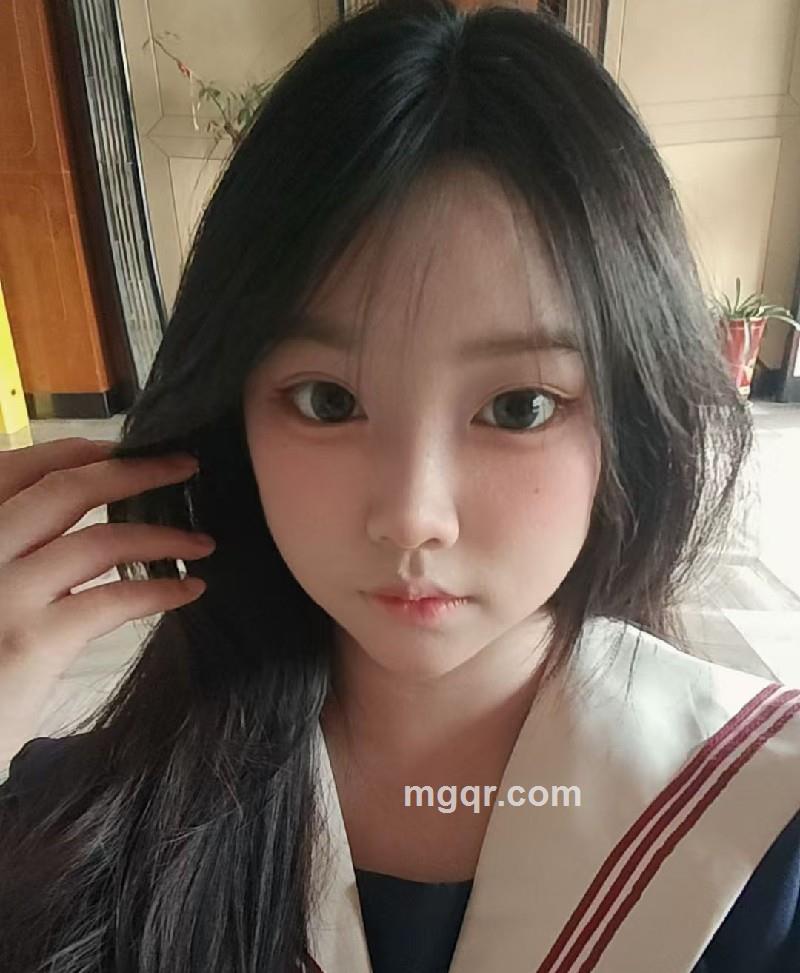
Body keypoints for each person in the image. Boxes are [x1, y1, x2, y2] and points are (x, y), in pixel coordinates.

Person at [0, 0, 798, 970]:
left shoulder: (763, 834)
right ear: (231, 416)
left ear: (630, 419)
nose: (412, 516)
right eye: (327, 400)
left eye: (518, 407)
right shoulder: (78, 828)